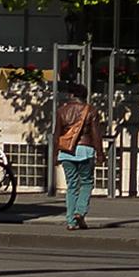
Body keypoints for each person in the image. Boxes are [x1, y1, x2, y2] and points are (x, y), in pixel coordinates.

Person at [54, 70, 98, 228]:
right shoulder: (90, 110)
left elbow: (56, 134)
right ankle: (80, 211)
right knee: (86, 183)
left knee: (72, 185)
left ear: (71, 95)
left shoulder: (61, 111)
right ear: (84, 96)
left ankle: (71, 221)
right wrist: (100, 153)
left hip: (66, 152)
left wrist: (54, 156)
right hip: (85, 150)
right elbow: (95, 134)